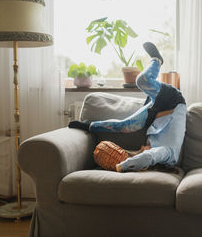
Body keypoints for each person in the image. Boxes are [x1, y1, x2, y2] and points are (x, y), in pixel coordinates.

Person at [69, 42, 186, 172]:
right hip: (173, 102)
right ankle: (157, 60)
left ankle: (89, 125)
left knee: (126, 126)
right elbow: (148, 156)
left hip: (156, 114)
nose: (143, 148)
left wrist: (133, 153)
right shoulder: (168, 155)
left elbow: (147, 155)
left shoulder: (156, 154)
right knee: (142, 81)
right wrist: (122, 166)